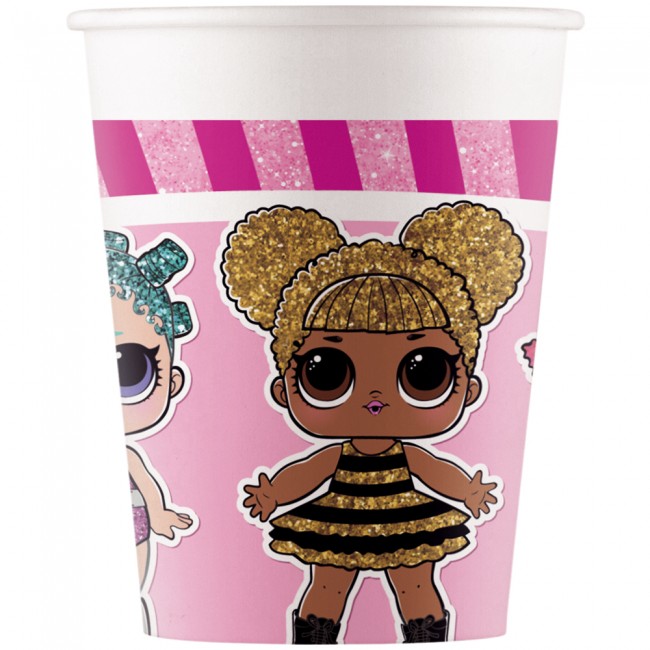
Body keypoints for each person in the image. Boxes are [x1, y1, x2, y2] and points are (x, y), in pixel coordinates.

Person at [221, 203, 526, 643]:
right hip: (337, 519)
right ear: (283, 390)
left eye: (425, 373)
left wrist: (467, 491)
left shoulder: (406, 455)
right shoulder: (338, 455)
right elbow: (309, 472)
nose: (376, 399)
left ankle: (426, 637)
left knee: (415, 584)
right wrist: (274, 493)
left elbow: (432, 470)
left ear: (470, 390)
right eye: (327, 372)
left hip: (408, 518)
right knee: (328, 585)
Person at [106, 230, 196, 634]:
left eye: (131, 368)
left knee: (137, 593)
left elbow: (142, 479)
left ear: (172, 382)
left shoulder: (128, 453)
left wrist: (158, 514)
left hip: (138, 526)